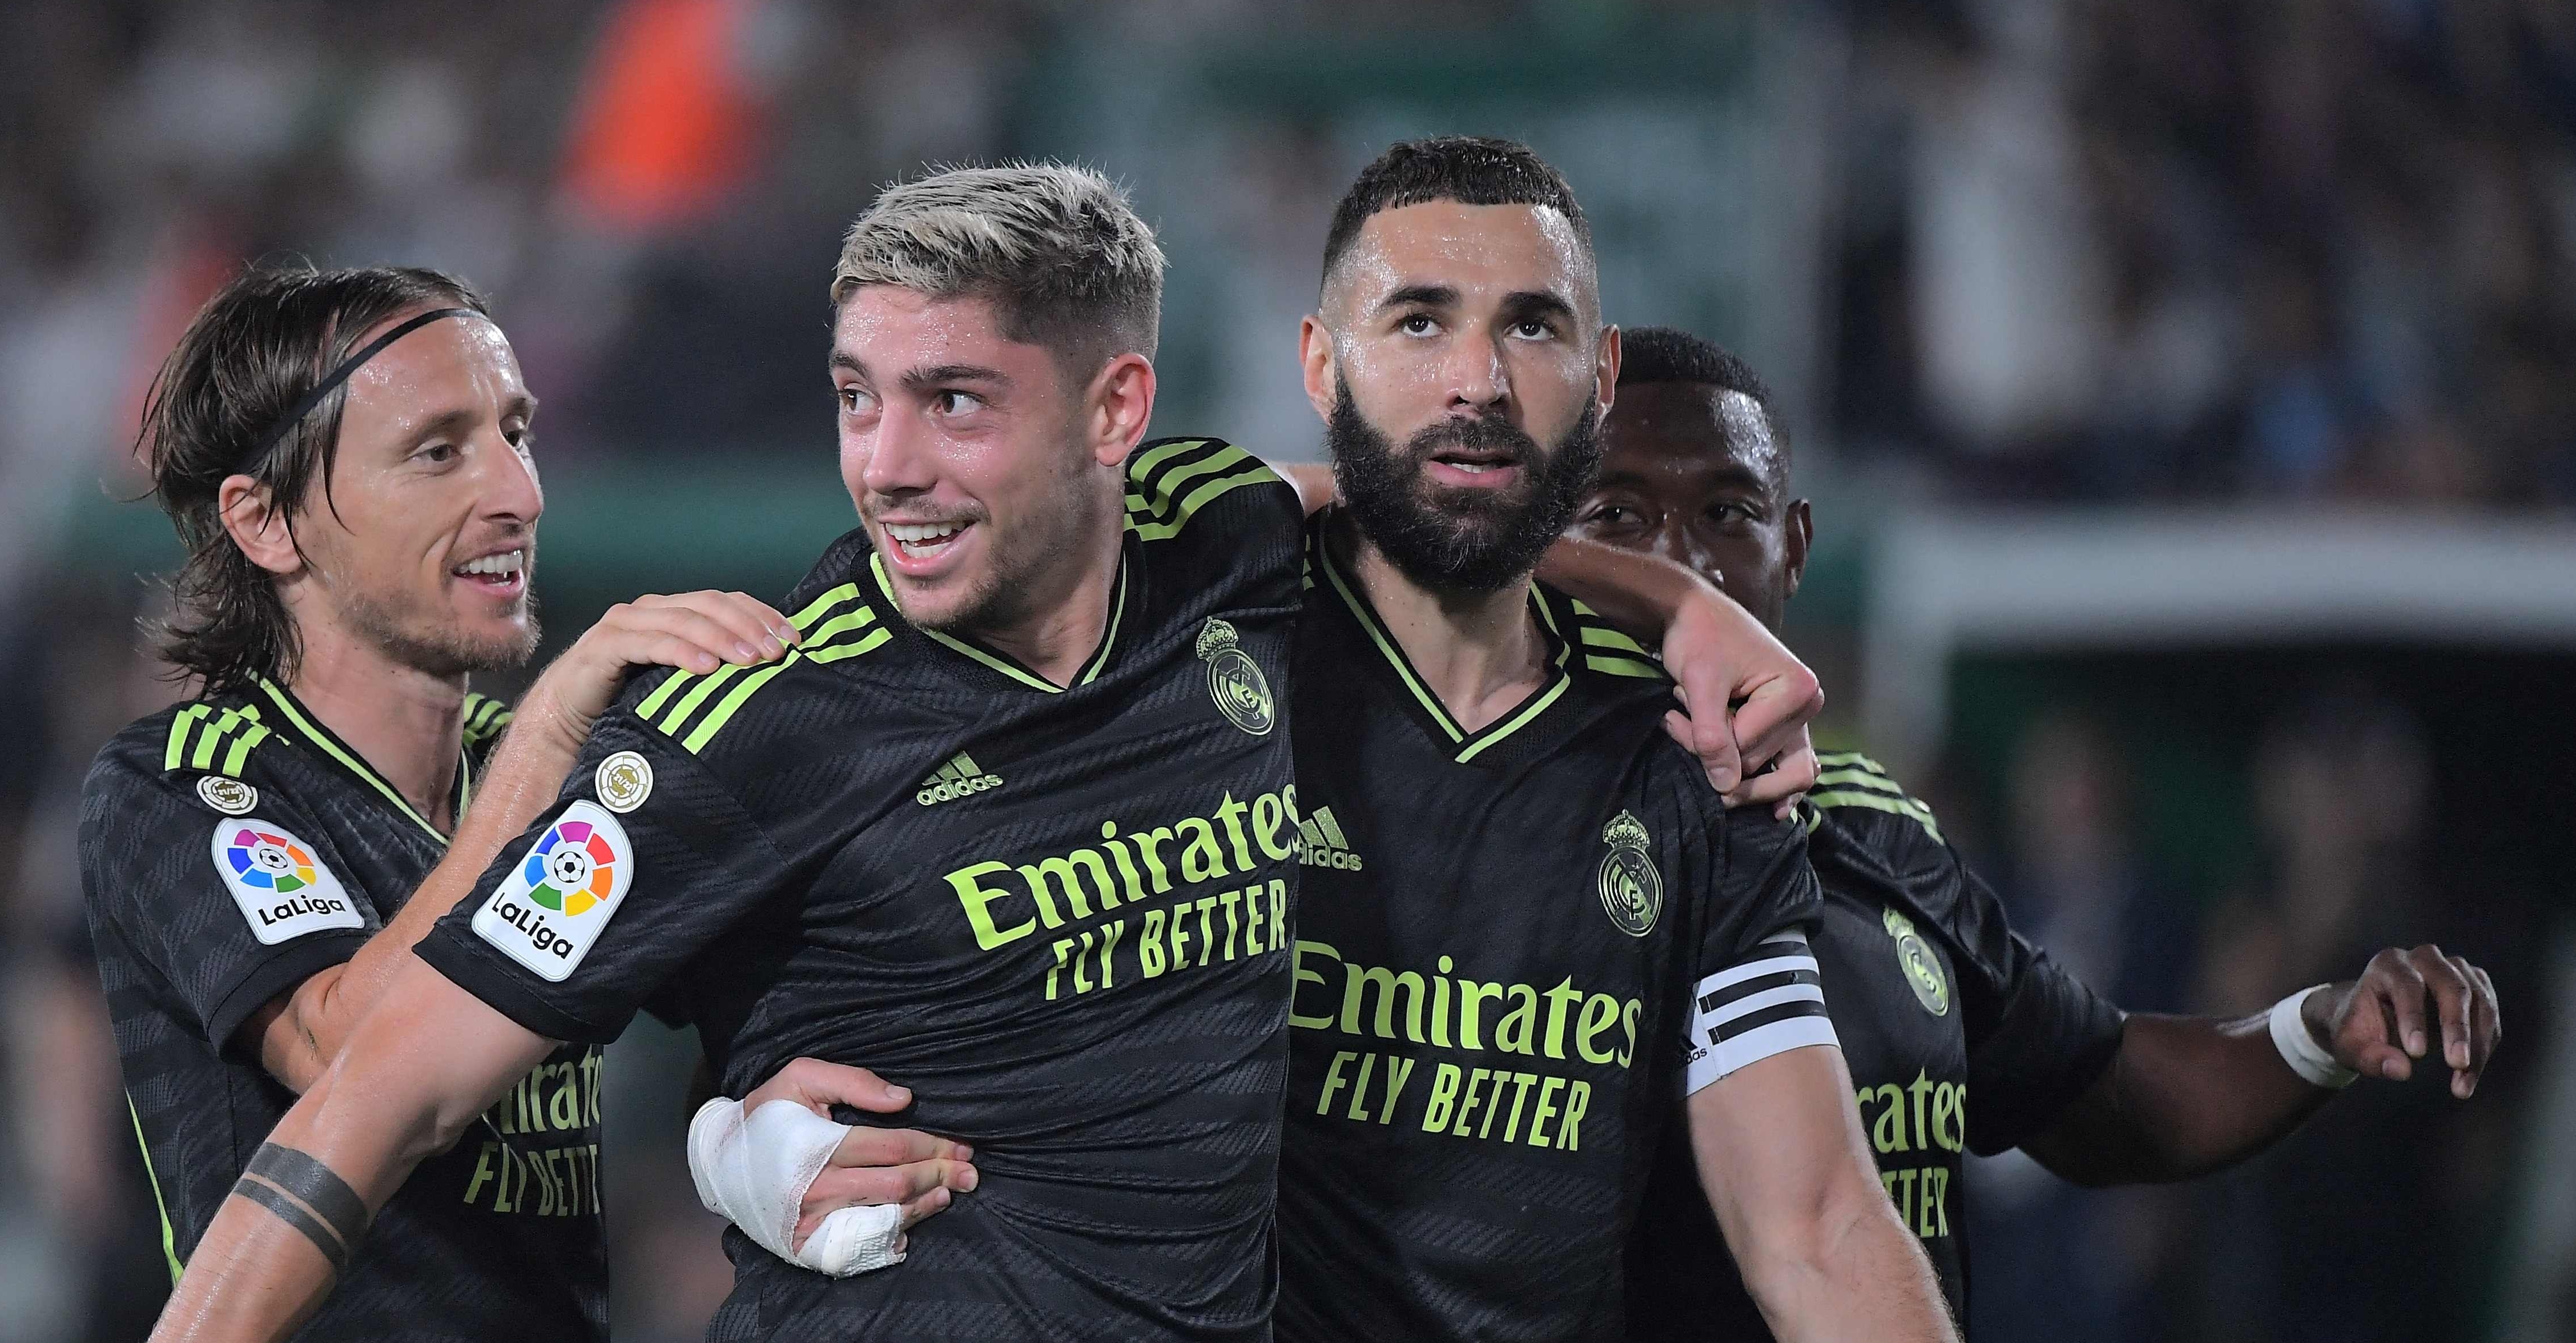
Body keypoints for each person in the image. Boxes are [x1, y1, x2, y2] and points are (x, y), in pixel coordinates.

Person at [142, 164, 1822, 1342]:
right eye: (857, 397)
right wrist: (734, 1146)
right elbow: (375, 1093)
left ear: (1114, 415)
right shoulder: (758, 716)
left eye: (954, 402)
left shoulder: (1211, 550)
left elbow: (1387, 505)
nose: (886, 466)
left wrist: (1676, 601)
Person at [721, 138, 1958, 1343]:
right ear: (1320, 366)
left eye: (1531, 326)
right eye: (1418, 323)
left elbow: (1819, 1227)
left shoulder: (1691, 758)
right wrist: (729, 1139)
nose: (1476, 379)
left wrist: (1680, 609)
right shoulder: (1165, 654)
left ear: (1599, 371)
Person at [1565, 325, 2505, 1341]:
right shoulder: (1494, 843)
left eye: (1725, 513)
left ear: (1793, 547)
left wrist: (2320, 1028)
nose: (1681, 564)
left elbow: (2097, 1089)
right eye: (1617, 516)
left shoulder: (1874, 827)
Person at [81, 263, 884, 1340]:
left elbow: (758, 1020)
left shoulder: (560, 777)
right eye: (437, 451)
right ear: (268, 523)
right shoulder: (183, 781)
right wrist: (552, 733)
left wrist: (770, 1116)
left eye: (517, 434)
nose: (519, 493)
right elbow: (348, 1060)